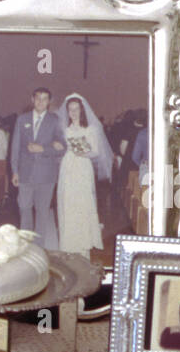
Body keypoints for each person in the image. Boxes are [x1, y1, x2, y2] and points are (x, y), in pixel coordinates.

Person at [56, 93, 111, 259]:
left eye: (76, 109)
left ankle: (83, 246)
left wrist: (81, 150)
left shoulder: (91, 129)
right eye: (70, 110)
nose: (73, 113)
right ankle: (68, 245)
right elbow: (58, 150)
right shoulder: (64, 130)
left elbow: (96, 151)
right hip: (67, 168)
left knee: (83, 204)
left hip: (83, 167)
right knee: (68, 203)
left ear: (82, 110)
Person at [10, 87, 65, 248]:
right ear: (32, 99)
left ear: (49, 102)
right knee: (24, 208)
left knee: (42, 212)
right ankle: (25, 245)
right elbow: (15, 147)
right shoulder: (22, 119)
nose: (41, 101)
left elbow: (63, 147)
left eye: (45, 98)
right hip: (25, 173)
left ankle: (39, 248)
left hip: (47, 175)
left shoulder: (55, 120)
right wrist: (14, 171)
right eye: (38, 98)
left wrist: (44, 149)